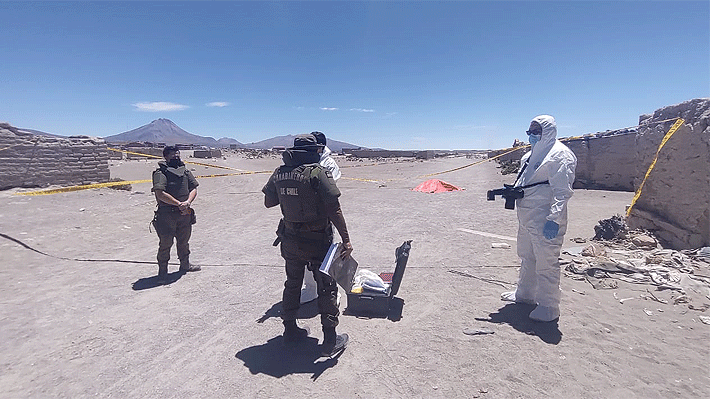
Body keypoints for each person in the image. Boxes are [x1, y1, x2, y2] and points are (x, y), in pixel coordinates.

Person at [262, 134, 353, 356]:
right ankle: (330, 340)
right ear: (314, 151)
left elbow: (268, 202)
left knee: (292, 283)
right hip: (317, 241)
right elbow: (334, 208)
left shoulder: (280, 172)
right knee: (326, 286)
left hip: (290, 239)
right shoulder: (318, 172)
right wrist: (347, 239)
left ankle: (290, 331)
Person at [501, 115, 577, 322]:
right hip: (526, 217)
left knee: (546, 262)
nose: (531, 136)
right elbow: (527, 183)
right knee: (528, 257)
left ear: (548, 131)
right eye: (529, 132)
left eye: (536, 132)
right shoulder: (530, 156)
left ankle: (549, 306)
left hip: (546, 219)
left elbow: (562, 192)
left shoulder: (560, 155)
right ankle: (525, 294)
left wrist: (554, 219)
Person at [299, 131, 342, 304]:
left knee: (326, 257)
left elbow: (329, 192)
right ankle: (311, 289)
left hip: (323, 217)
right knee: (305, 256)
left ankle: (332, 292)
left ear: (320, 147)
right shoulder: (305, 160)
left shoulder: (328, 163)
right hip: (304, 217)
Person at [151, 146, 201, 283]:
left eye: (177, 154)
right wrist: (178, 204)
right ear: (166, 157)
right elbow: (160, 193)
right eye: (173, 155)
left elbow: (193, 188)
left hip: (185, 213)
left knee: (184, 241)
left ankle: (185, 265)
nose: (176, 157)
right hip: (167, 215)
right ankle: (162, 273)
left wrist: (187, 203)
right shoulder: (161, 173)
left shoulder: (185, 171)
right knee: (166, 243)